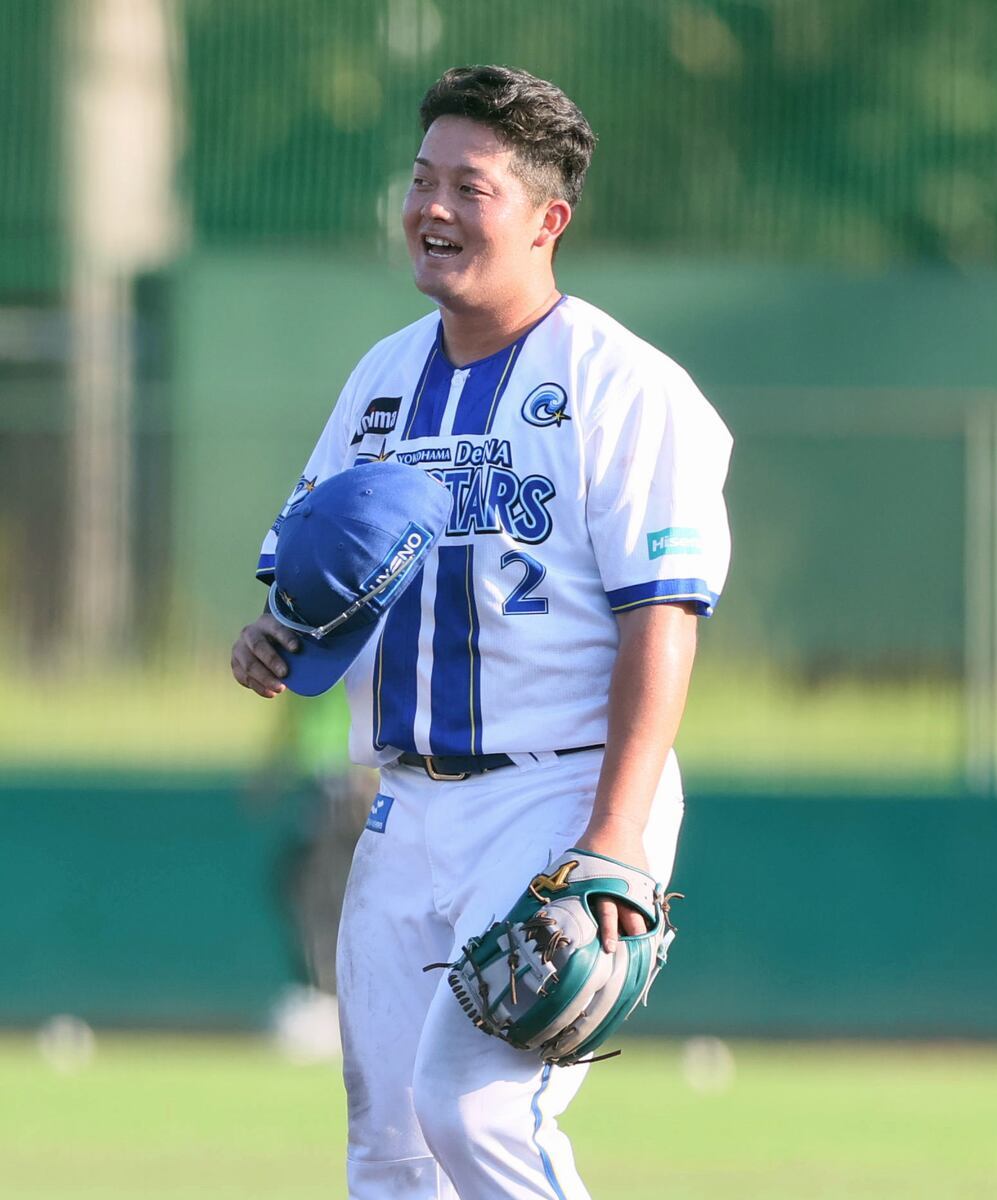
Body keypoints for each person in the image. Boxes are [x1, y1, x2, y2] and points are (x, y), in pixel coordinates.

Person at [231, 64, 732, 1200]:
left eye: (472, 186)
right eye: (423, 180)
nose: (433, 208)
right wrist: (271, 635)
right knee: (388, 1151)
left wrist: (614, 839)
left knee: (473, 1107)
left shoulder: (621, 385)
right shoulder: (381, 379)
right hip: (406, 801)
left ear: (548, 220)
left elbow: (662, 617)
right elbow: (316, 576)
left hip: (559, 792)